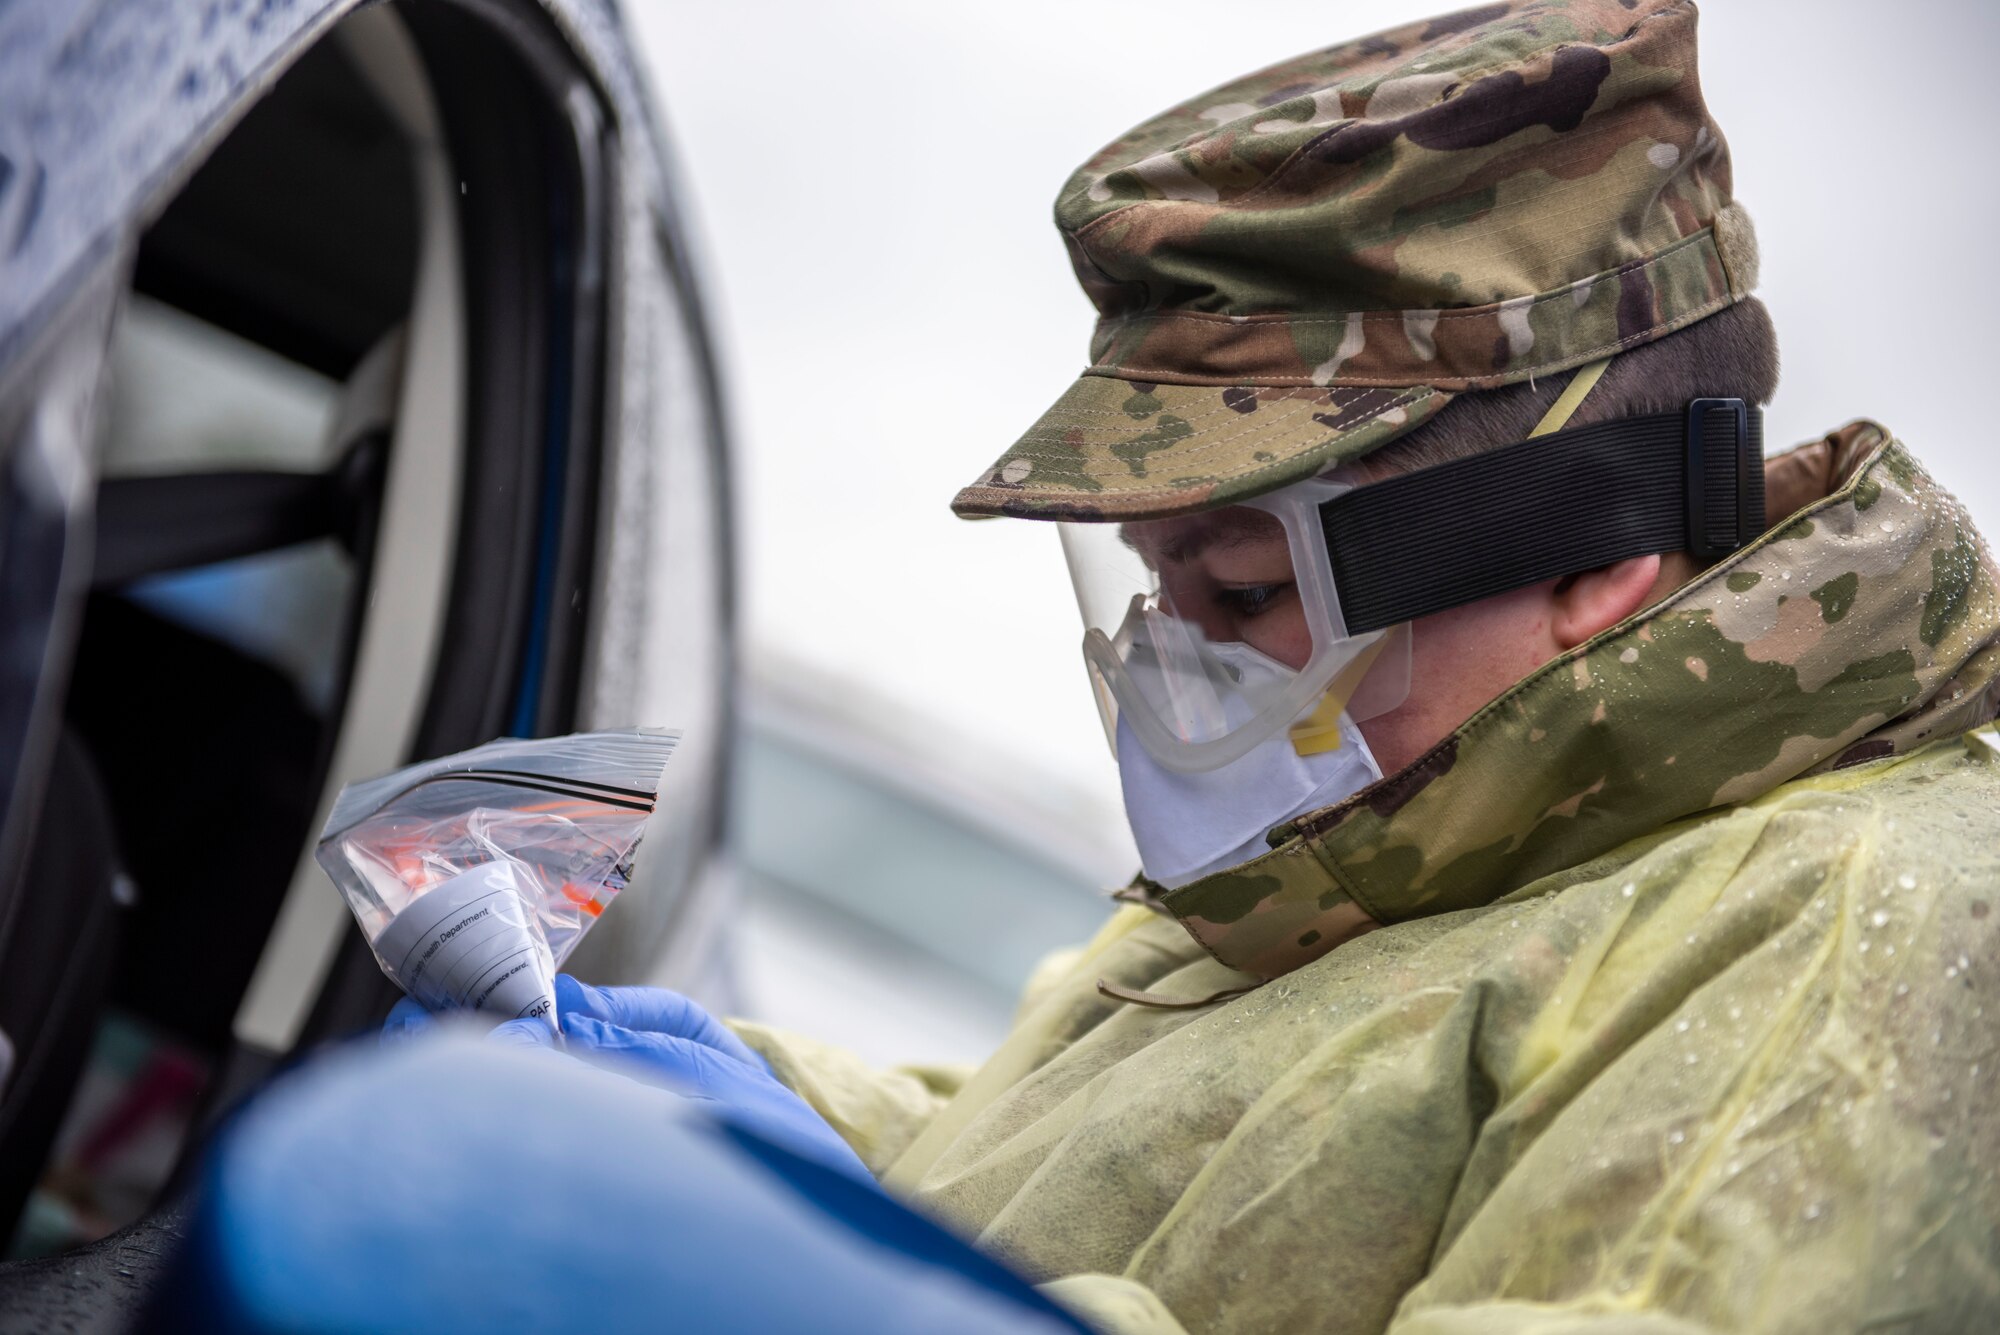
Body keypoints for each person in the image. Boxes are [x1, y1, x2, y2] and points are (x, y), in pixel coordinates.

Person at [194, 2, 2000, 1331]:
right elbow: (1065, 1170)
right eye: (1157, 585)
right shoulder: (1373, 846)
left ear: (1595, 558)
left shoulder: (1870, 940)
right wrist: (754, 1113)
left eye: (1239, 589)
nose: (1181, 670)